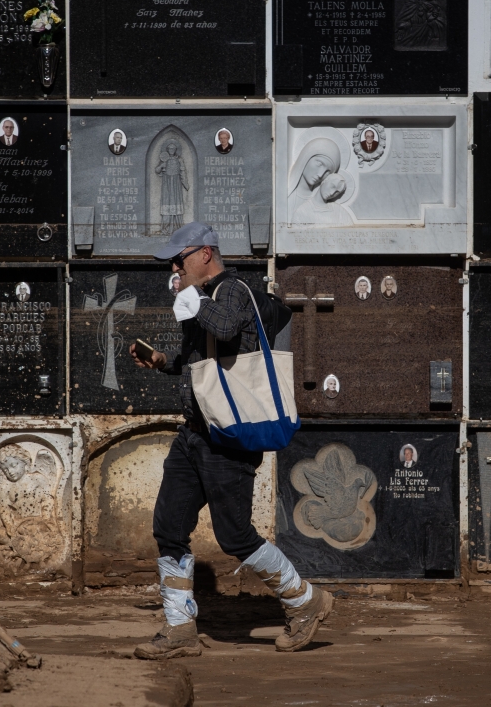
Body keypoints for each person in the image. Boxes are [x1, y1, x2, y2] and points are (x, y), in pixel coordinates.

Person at [128, 222, 333, 660]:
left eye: (177, 260)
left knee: (235, 536)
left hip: (230, 439)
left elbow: (224, 329)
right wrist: (163, 360)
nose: (173, 268)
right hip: (194, 436)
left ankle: (305, 601)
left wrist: (190, 298)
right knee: (168, 526)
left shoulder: (234, 289)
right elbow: (197, 359)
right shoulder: (201, 298)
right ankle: (180, 629)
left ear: (204, 254)